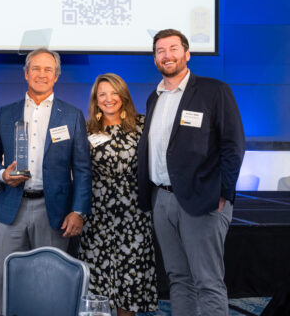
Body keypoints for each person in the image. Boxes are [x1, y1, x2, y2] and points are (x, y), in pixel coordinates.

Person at [137, 29, 245, 315]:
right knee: (178, 279)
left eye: (173, 48)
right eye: (160, 50)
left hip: (203, 200)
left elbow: (233, 145)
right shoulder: (154, 98)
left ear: (187, 53)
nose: (167, 55)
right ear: (155, 58)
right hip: (163, 200)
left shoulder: (214, 90)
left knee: (207, 281)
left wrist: (223, 193)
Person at [0, 48, 91, 313]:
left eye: (48, 70)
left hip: (53, 211)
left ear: (56, 76)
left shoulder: (71, 115)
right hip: (11, 207)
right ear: (26, 73)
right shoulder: (6, 112)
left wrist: (78, 211)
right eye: (36, 68)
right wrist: (2, 174)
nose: (41, 74)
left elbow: (82, 168)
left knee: (51, 280)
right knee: (7, 279)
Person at [79, 73, 157, 315]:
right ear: (95, 99)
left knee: (129, 279)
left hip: (133, 216)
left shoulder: (142, 125)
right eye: (102, 94)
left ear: (123, 96)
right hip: (97, 218)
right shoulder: (85, 129)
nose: (108, 99)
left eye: (114, 93)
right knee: (97, 279)